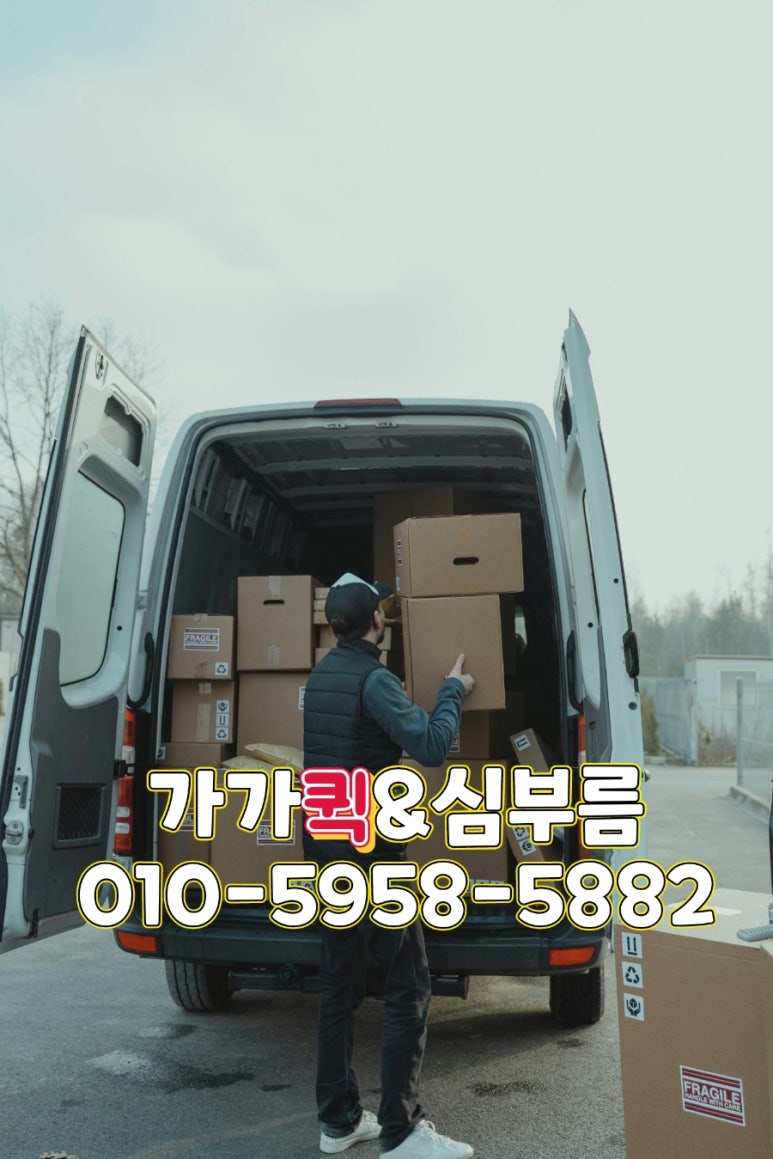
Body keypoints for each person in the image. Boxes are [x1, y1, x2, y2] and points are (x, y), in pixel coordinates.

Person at [302, 572, 476, 1159]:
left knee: (337, 984)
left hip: (326, 846)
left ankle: (338, 1121)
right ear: (377, 620)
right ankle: (402, 1132)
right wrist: (452, 690)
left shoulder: (322, 674)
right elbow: (430, 747)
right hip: (372, 855)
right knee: (408, 985)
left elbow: (350, 743)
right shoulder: (373, 680)